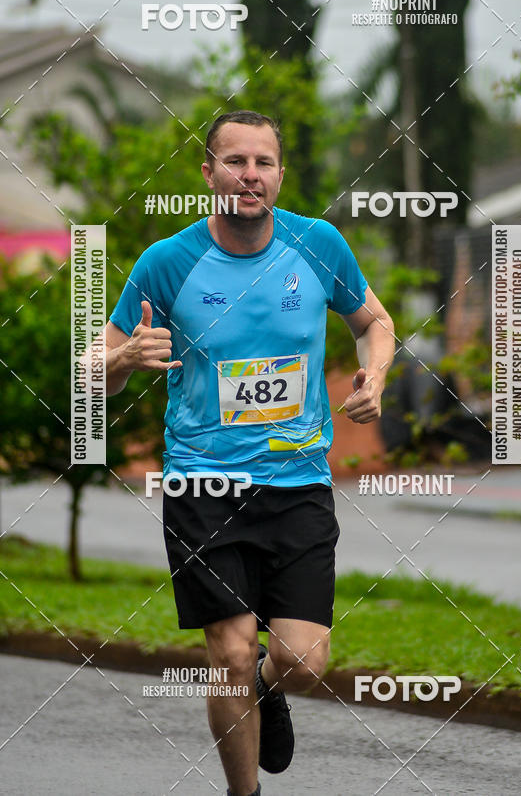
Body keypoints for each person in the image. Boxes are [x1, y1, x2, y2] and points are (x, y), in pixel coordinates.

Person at [103, 110, 394, 796]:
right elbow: (90, 369)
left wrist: (375, 372)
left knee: (302, 659)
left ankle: (271, 685)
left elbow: (373, 320)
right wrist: (123, 356)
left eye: (262, 162)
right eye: (234, 161)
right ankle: (246, 793)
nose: (249, 175)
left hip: (297, 481)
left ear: (280, 173)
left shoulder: (318, 243)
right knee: (229, 652)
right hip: (203, 486)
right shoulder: (166, 262)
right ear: (208, 173)